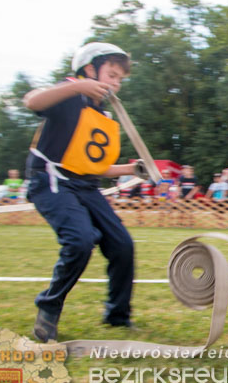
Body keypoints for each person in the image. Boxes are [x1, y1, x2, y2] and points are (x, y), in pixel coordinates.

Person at [23, 42, 141, 342]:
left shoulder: (103, 115)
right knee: (81, 240)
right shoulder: (70, 92)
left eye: (120, 79)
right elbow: (32, 101)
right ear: (90, 69)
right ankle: (49, 307)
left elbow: (94, 167)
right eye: (111, 74)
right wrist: (79, 87)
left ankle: (117, 316)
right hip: (51, 181)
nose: (116, 83)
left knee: (123, 245)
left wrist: (131, 170)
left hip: (84, 185)